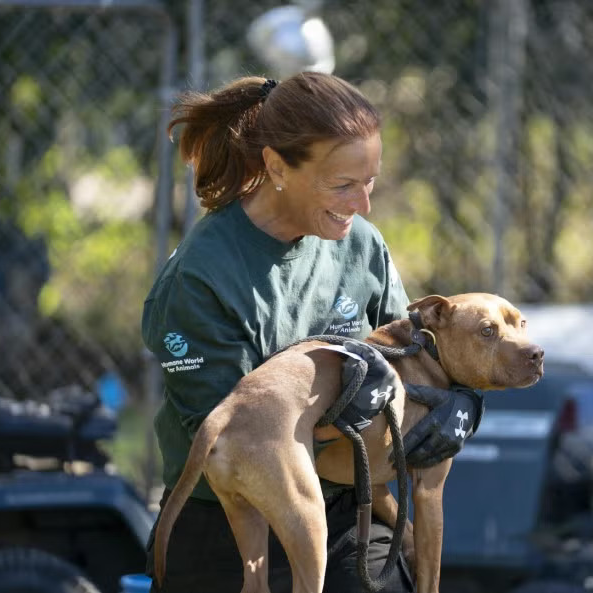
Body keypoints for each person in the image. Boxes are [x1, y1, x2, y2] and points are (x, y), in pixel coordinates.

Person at [141, 72, 477, 593]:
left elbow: (415, 354)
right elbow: (230, 439)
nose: (363, 204)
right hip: (234, 530)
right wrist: (353, 420)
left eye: (370, 181)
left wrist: (459, 400)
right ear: (276, 166)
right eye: (343, 185)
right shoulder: (201, 276)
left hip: (348, 513)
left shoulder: (360, 245)